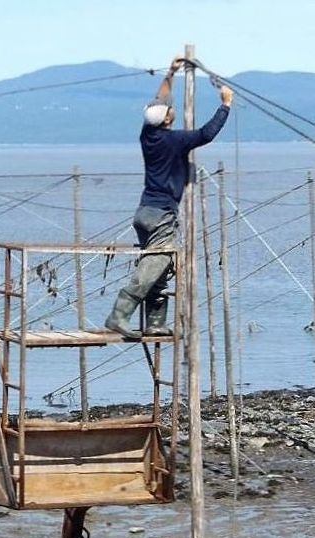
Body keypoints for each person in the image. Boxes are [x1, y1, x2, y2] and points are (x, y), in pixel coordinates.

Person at [105, 57, 233, 339]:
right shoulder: (175, 140)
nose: (171, 108)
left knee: (162, 264)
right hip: (162, 212)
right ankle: (119, 314)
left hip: (144, 212)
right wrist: (225, 105)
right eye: (169, 110)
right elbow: (207, 133)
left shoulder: (146, 134)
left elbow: (159, 99)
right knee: (157, 262)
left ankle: (155, 323)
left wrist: (172, 73)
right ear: (166, 119)